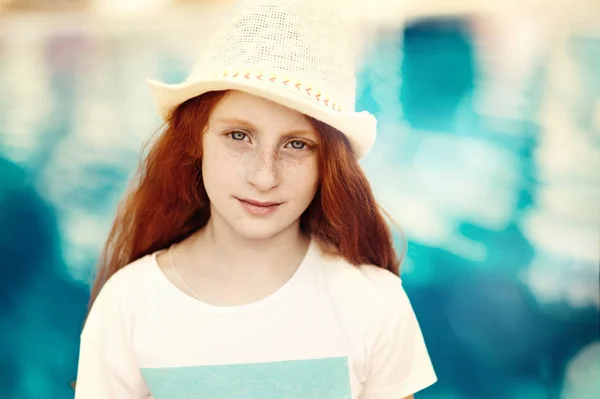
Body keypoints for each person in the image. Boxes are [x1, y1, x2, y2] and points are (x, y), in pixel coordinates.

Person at [74, 0, 437, 397]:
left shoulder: (373, 303)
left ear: (328, 165)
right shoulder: (128, 306)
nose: (265, 177)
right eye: (238, 136)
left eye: (297, 144)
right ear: (195, 140)